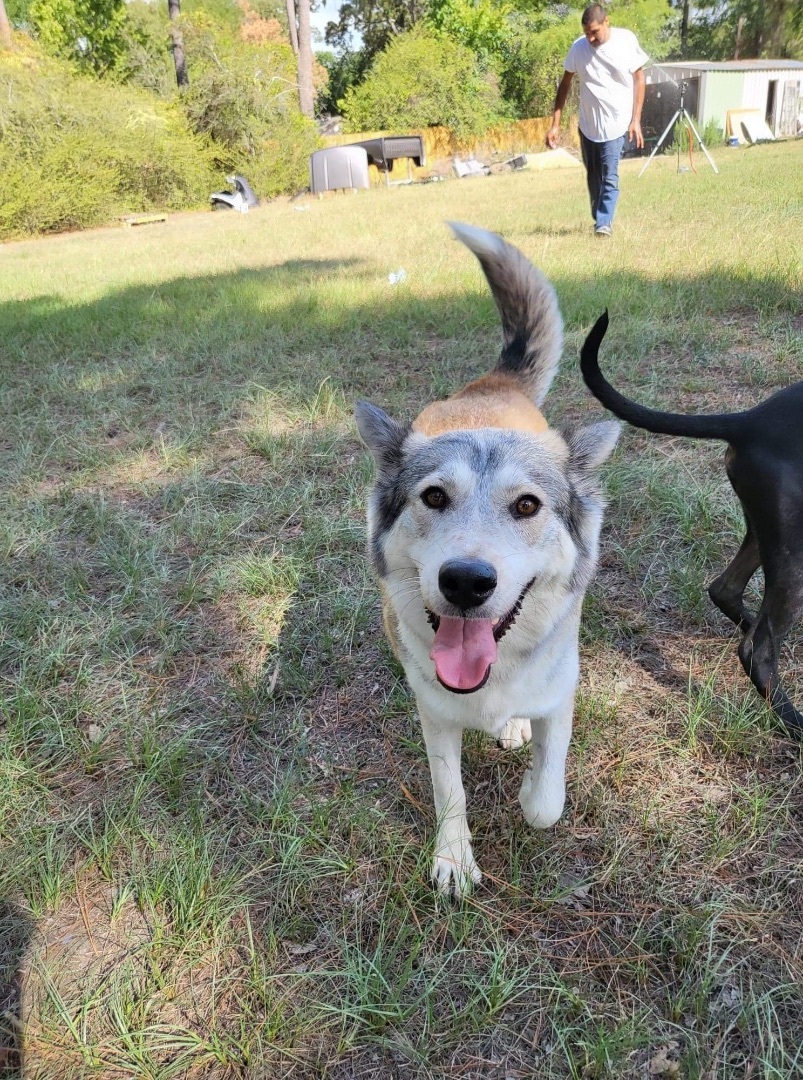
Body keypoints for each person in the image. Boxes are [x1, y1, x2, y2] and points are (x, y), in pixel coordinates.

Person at [546, 4, 648, 237]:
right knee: (594, 176)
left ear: (606, 22)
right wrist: (555, 124)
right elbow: (564, 85)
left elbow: (640, 80)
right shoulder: (578, 48)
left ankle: (604, 223)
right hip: (588, 125)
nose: (590, 38)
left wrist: (636, 120)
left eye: (594, 32)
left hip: (617, 123)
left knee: (609, 174)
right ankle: (600, 217)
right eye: (586, 33)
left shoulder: (625, 41)